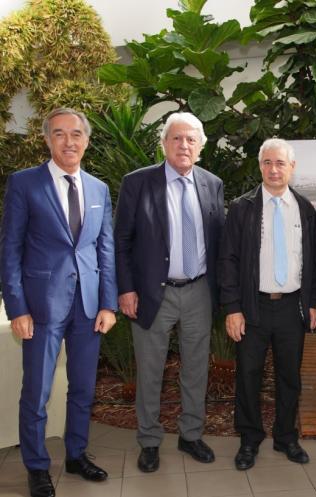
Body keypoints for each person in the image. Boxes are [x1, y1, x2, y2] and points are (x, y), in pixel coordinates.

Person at [0, 108, 117, 497]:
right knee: (37, 391)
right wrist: (17, 308)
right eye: (60, 134)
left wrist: (108, 304)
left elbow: (105, 250)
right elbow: (10, 250)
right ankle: (36, 467)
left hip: (88, 307)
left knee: (83, 388)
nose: (69, 142)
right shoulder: (24, 184)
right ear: (47, 139)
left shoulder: (99, 189)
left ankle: (76, 454)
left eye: (76, 134)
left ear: (86, 140)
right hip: (41, 308)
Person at [114, 112, 224, 473]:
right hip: (150, 293)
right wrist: (127, 289)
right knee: (150, 369)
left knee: (195, 368)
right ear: (164, 144)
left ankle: (190, 434)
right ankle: (149, 439)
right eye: (176, 138)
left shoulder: (212, 184)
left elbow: (219, 241)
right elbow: (122, 242)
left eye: (191, 139)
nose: (184, 145)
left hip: (198, 291)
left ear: (201, 146)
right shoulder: (138, 183)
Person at [218, 138, 316, 470]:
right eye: (268, 163)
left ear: (292, 168)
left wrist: (312, 302)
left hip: (292, 308)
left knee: (289, 376)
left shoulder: (304, 208)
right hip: (252, 307)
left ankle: (286, 437)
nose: (274, 169)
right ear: (260, 166)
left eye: (281, 163)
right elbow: (228, 260)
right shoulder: (242, 207)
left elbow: (312, 262)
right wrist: (233, 307)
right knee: (249, 374)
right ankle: (249, 439)